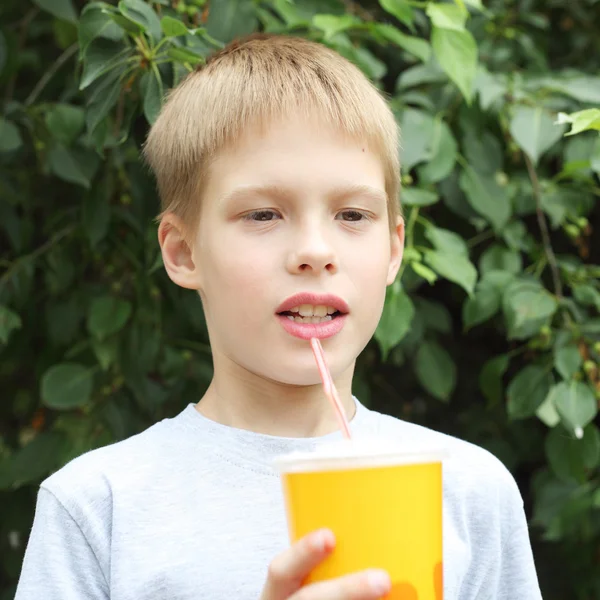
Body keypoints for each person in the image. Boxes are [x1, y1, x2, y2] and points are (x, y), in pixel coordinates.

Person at [14, 34, 543, 600]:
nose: (315, 251)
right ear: (183, 253)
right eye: (264, 214)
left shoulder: (469, 491)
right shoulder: (99, 507)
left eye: (352, 213)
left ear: (393, 251)